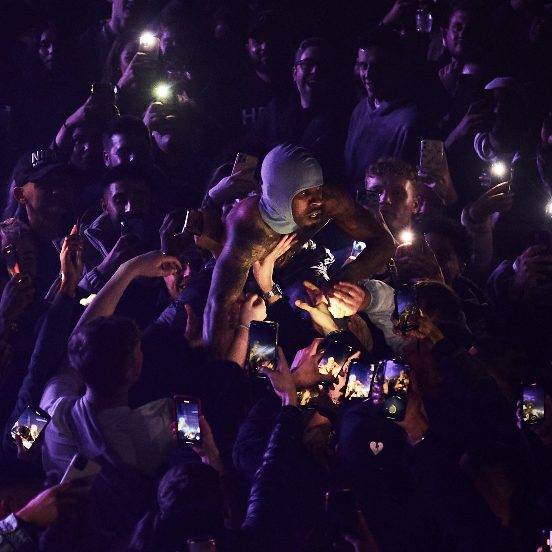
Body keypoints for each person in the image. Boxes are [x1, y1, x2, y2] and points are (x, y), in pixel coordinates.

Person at [203, 144, 394, 356]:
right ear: (281, 195)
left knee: (328, 316)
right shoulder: (247, 231)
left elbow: (384, 243)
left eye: (318, 189)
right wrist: (223, 372)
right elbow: (218, 307)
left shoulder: (329, 201)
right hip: (249, 277)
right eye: (305, 193)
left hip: (302, 260)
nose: (317, 200)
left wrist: (337, 284)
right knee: (252, 339)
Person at [344, 27, 427, 193]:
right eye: (363, 66)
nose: (368, 74)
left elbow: (397, 188)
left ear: (396, 67)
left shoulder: (409, 121)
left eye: (377, 67)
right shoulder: (359, 111)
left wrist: (361, 206)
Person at [364, 158, 420, 241]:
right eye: (376, 191)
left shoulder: (431, 248)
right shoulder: (346, 248)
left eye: (397, 193)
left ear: (415, 204)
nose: (384, 200)